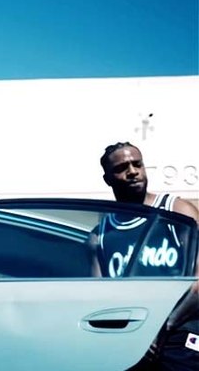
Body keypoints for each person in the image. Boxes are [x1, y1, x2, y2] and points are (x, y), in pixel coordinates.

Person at [97, 141, 199, 370]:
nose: (132, 171)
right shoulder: (100, 235)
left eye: (137, 164)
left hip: (180, 332)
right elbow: (102, 298)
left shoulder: (177, 211)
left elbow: (197, 282)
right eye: (122, 168)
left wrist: (161, 328)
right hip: (131, 341)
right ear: (108, 179)